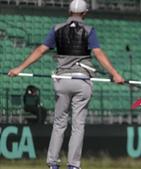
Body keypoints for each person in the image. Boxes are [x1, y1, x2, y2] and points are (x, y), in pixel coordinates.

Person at [8, 0, 124, 168]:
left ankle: (52, 163)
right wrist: (115, 74)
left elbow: (41, 50)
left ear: (69, 12)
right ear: (85, 13)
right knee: (78, 126)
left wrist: (19, 68)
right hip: (82, 80)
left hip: (62, 81)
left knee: (59, 123)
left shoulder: (56, 29)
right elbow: (98, 53)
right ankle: (73, 165)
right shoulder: (89, 30)